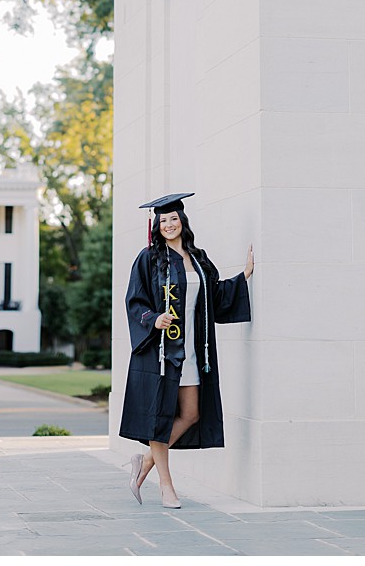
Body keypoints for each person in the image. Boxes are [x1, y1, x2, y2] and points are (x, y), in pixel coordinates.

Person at [119, 192, 253, 509]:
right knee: (161, 417)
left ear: (183, 221)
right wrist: (153, 319)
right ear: (157, 225)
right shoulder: (149, 258)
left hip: (193, 350)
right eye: (163, 220)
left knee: (190, 414)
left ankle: (145, 461)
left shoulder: (199, 259)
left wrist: (243, 277)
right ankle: (167, 487)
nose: (169, 224)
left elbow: (214, 296)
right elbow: (135, 300)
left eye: (173, 218)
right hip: (161, 353)